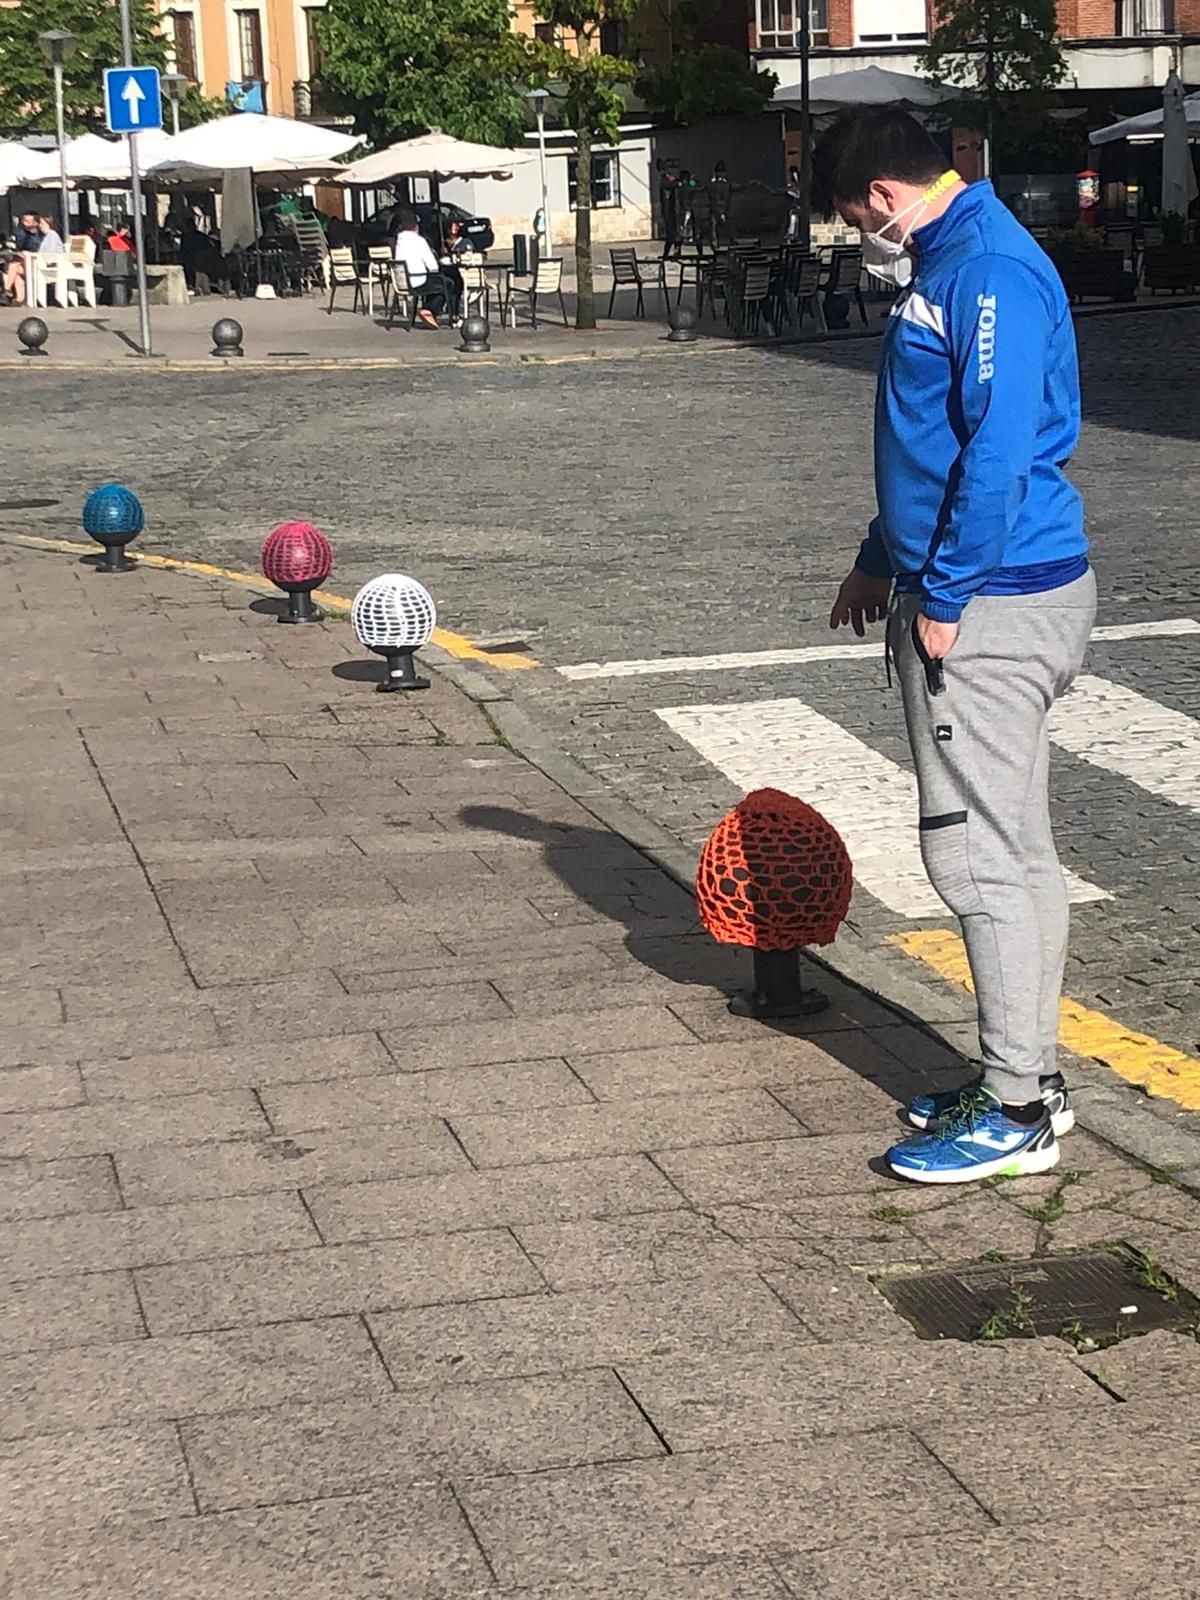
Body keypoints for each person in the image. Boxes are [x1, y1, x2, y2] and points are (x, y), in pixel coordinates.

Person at [816, 108, 1094, 1186]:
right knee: (1016, 847)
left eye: (850, 220)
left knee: (974, 853)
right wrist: (879, 556)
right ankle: (1029, 1076)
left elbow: (997, 448)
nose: (856, 239)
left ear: (883, 198)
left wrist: (947, 593)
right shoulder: (953, 260)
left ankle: (1017, 1104)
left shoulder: (983, 272)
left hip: (995, 599)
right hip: (988, 585)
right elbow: (927, 444)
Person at [392, 207, 445, 328]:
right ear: (416, 226)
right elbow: (433, 267)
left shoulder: (398, 241)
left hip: (402, 282)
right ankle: (429, 310)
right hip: (418, 281)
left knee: (435, 284)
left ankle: (429, 312)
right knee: (447, 284)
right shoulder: (419, 241)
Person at [2, 211, 41, 303]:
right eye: (24, 220)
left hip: (37, 262)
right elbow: (16, 245)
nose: (24, 223)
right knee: (17, 268)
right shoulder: (20, 232)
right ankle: (19, 299)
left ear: (35, 223)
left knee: (15, 264)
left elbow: (36, 248)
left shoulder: (40, 235)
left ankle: (7, 290)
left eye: (27, 221)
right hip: (25, 263)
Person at [707, 160, 731, 247]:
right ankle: (720, 243)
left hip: (719, 208)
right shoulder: (723, 184)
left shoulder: (722, 184)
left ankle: (727, 242)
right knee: (716, 226)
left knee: (717, 226)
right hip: (717, 208)